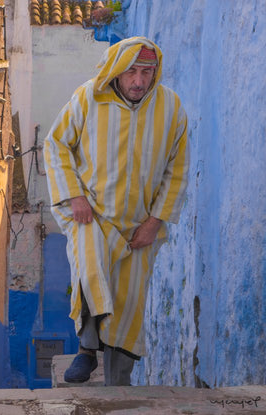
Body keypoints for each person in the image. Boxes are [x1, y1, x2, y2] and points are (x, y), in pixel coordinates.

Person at [43, 37, 189, 386]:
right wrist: (75, 196)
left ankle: (118, 380)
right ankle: (86, 351)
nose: (139, 81)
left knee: (129, 299)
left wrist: (154, 222)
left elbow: (177, 169)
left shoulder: (171, 108)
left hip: (141, 224)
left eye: (147, 72)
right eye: (132, 72)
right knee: (91, 271)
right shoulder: (88, 97)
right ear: (116, 72)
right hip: (93, 215)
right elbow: (56, 143)